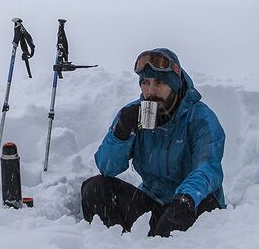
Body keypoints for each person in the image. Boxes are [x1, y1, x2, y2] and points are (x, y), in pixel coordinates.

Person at [81, 47, 226, 237]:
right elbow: (107, 167)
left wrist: (185, 198)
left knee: (176, 223)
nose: (151, 90)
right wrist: (121, 134)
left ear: (173, 85)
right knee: (95, 189)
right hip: (153, 202)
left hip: (193, 204)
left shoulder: (200, 118)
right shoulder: (133, 113)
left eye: (159, 82)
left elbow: (207, 168)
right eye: (145, 83)